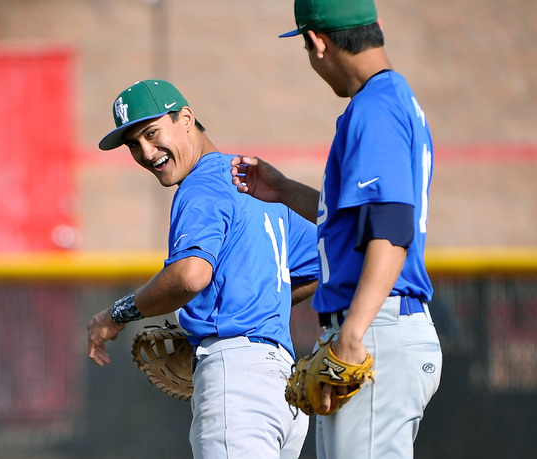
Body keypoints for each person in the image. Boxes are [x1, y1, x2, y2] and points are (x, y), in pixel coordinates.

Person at [230, 0, 442, 457]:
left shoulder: (376, 107)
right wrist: (285, 190)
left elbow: (391, 231)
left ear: (316, 42)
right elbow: (357, 217)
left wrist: (352, 335)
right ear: (375, 26)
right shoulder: (391, 99)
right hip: (379, 324)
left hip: (375, 326)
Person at [87, 79, 319, 459]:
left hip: (237, 383)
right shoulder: (254, 186)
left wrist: (116, 314)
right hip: (283, 387)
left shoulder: (200, 185)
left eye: (151, 132)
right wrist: (245, 305)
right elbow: (322, 266)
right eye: (133, 144)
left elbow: (190, 276)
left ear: (186, 118)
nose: (146, 152)